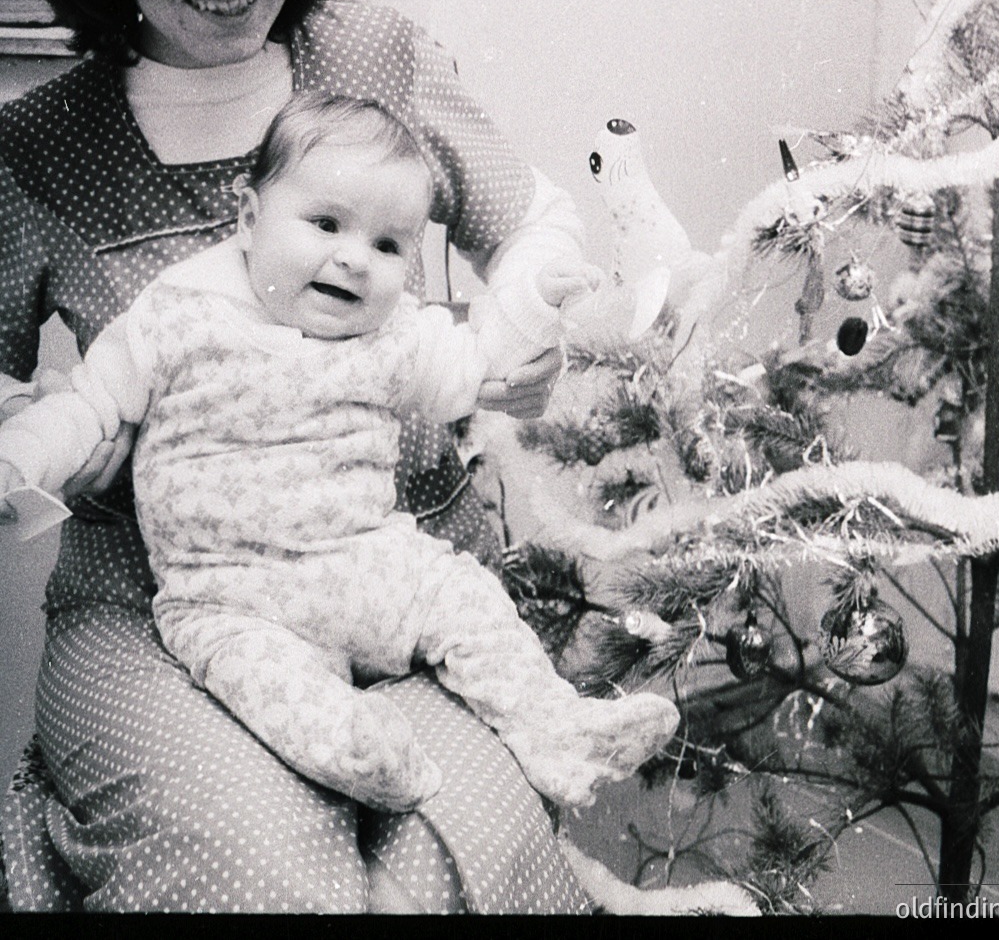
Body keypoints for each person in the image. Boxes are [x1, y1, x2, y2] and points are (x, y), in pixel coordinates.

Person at [0, 0, 598, 914]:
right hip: (162, 611)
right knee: (265, 878)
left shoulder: (374, 59)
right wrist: (60, 424)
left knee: (437, 863)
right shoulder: (38, 146)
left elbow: (540, 225)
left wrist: (521, 336)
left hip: (406, 584)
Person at [0, 93, 677, 813]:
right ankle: (357, 749)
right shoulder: (174, 318)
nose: (354, 259)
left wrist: (540, 299)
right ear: (249, 218)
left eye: (388, 246)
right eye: (325, 224)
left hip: (370, 566)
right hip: (230, 593)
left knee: (467, 597)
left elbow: (482, 364)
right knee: (261, 679)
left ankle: (560, 732)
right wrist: (18, 457)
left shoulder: (393, 336)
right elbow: (83, 408)